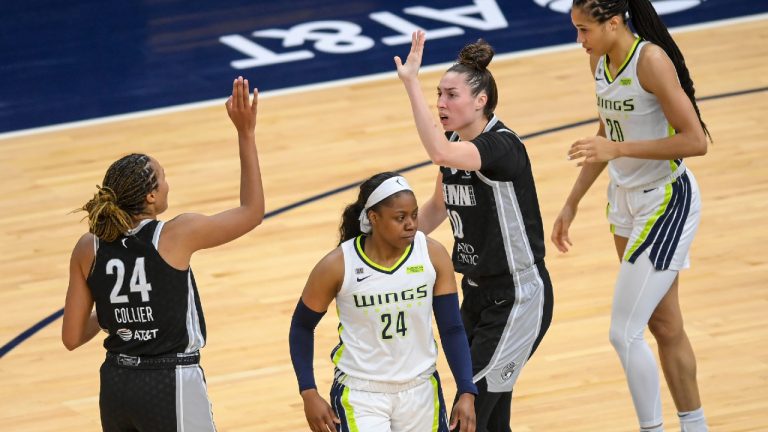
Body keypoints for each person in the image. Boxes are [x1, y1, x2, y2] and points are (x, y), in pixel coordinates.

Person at [61, 76, 264, 432]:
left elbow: (72, 337)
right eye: (163, 177)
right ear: (151, 196)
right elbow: (252, 212)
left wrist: (116, 314)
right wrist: (245, 133)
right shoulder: (174, 235)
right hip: (170, 380)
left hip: (116, 383)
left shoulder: (87, 247)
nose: (168, 183)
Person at [551, 1, 710, 431]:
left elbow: (695, 141)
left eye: (584, 30)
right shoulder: (600, 63)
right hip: (623, 200)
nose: (579, 40)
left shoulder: (651, 61)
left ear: (615, 23)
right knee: (664, 322)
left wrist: (617, 150)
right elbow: (609, 131)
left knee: (624, 332)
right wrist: (572, 201)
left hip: (665, 199)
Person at [394, 32, 554, 432]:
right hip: (477, 294)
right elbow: (437, 207)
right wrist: (390, 248)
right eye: (438, 95)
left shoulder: (501, 147)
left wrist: (410, 83)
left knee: (468, 416)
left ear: (480, 101)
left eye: (451, 96)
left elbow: (439, 153)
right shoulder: (453, 142)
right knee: (490, 419)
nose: (441, 104)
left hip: (517, 297)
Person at [289, 172, 477, 432]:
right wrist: (309, 392)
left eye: (414, 214)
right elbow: (301, 326)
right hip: (361, 393)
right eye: (400, 218)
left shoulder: (432, 255)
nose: (411, 224)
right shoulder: (338, 265)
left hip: (421, 389)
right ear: (373, 218)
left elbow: (452, 328)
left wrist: (466, 389)